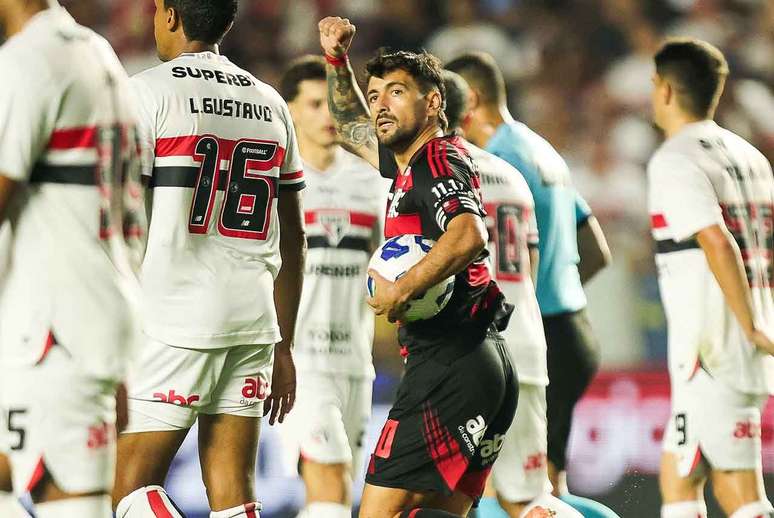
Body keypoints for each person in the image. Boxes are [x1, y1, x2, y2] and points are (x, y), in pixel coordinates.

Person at [113, 1, 306, 517]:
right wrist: (283, 344)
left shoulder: (147, 92)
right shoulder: (270, 102)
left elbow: (118, 214)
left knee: (126, 490)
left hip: (174, 319)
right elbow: (294, 238)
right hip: (253, 320)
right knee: (234, 492)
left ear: (171, 15)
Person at [320, 16, 518, 518]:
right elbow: (349, 125)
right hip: (483, 362)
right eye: (375, 92)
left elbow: (469, 235)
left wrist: (401, 288)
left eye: (396, 92)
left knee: (378, 514)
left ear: (433, 103)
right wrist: (336, 60)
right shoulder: (410, 164)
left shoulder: (434, 161)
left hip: (449, 362)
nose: (380, 103)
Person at [446, 52, 616, 518]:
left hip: (527, 335)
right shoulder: (541, 152)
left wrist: (523, 304)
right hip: (566, 330)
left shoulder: (489, 162)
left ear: (469, 100)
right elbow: (597, 249)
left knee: (509, 494)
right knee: (540, 490)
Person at [0, 0, 142, 516]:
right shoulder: (98, 55)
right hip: (94, 307)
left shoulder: (27, 61)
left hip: (52, 329)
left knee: (68, 502)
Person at [648, 37, 774, 518]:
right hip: (721, 342)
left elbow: (717, 240)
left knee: (741, 491)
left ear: (663, 89)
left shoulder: (675, 158)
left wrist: (749, 325)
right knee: (679, 478)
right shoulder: (750, 157)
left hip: (718, 344)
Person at [277, 55, 385, 518]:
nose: (328, 116)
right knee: (330, 482)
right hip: (303, 362)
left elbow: (386, 271)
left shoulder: (370, 184)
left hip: (356, 363)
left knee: (336, 495)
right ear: (290, 109)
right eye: (315, 104)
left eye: (333, 105)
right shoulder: (278, 183)